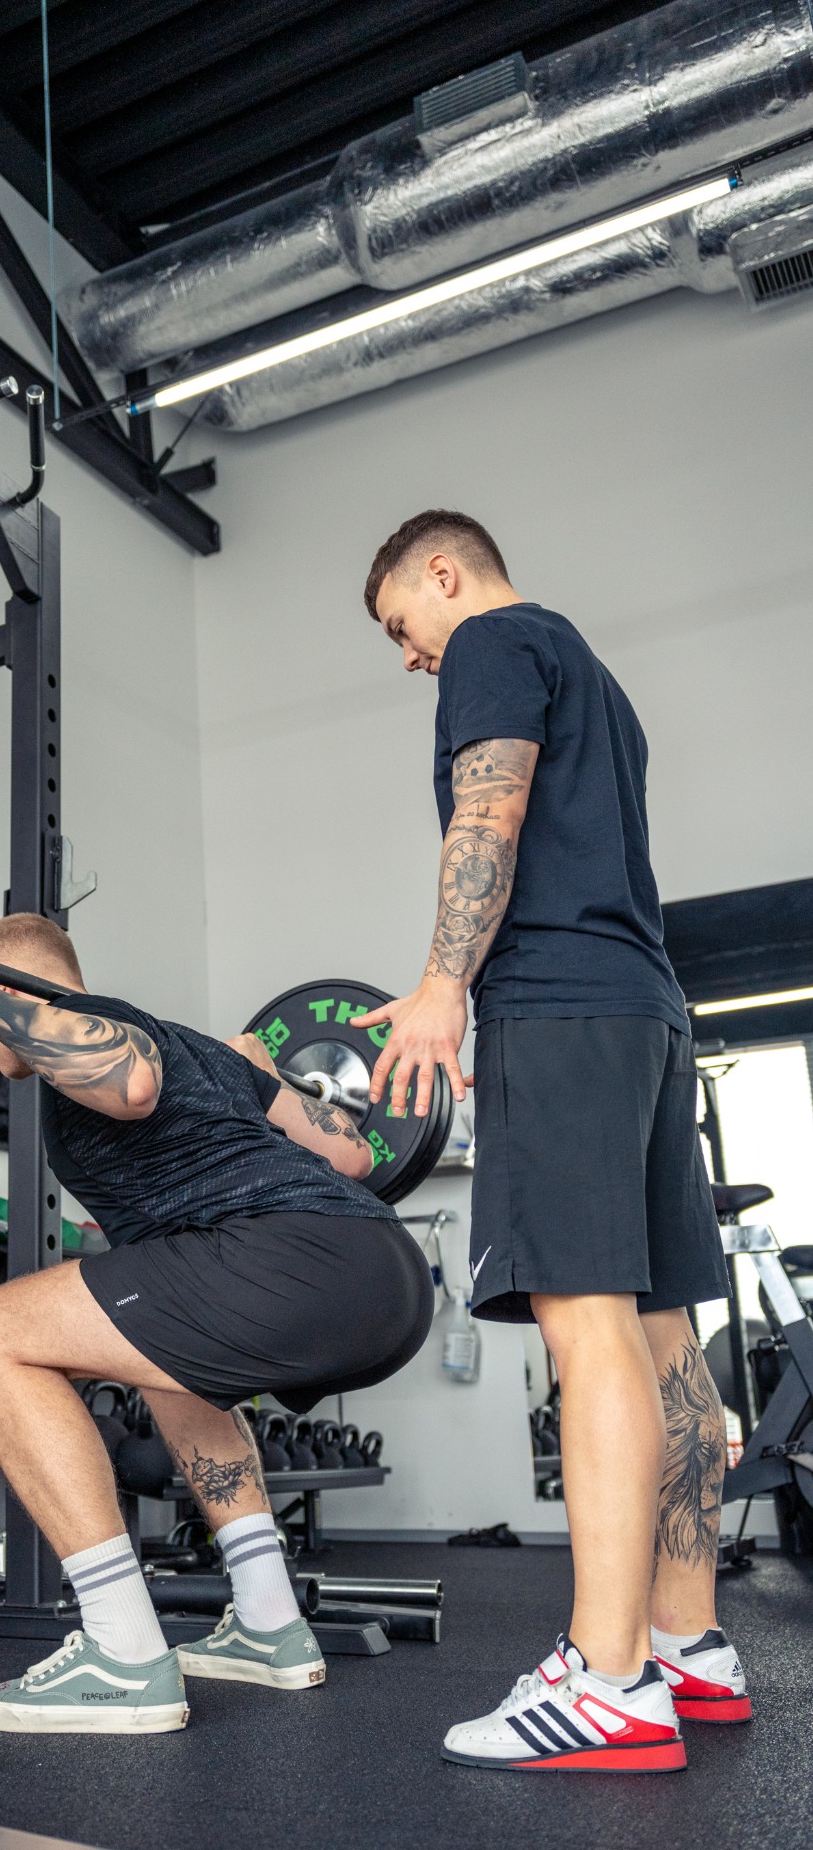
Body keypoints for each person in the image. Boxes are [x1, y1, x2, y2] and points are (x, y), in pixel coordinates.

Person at [362, 509, 741, 1773]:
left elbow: (489, 808)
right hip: (645, 1013)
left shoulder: (491, 640)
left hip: (558, 1003)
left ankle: (606, 1677)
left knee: (588, 1333)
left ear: (441, 572)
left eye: (399, 624)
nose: (408, 654)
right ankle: (686, 1644)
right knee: (663, 1336)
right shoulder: (595, 674)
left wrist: (441, 986)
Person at [0, 911, 434, 1734]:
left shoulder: (99, 1027)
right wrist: (267, 1078)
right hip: (384, 1272)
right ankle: (269, 1621)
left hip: (291, 1260)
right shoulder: (204, 1052)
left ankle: (121, 1654)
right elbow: (353, 1154)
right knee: (165, 1374)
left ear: (17, 988)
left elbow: (128, 1084)